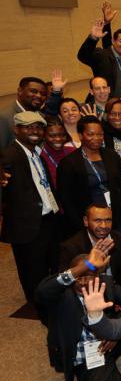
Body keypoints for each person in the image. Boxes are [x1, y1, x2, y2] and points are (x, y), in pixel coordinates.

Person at [35, 239, 121, 381]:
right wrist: (87, 265)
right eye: (79, 276)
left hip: (110, 341)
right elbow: (42, 292)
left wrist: (116, 333)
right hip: (86, 359)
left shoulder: (105, 285)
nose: (83, 282)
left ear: (98, 276)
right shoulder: (60, 297)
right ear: (72, 276)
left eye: (89, 275)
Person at [0, 112, 61, 305]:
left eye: (38, 127)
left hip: (48, 220)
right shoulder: (8, 156)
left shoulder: (37, 154)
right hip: (26, 226)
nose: (35, 131)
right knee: (32, 272)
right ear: (16, 130)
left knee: (52, 265)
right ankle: (38, 307)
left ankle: (53, 302)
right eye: (28, 127)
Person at [57, 116, 121, 235]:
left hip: (115, 214)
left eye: (100, 134)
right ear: (80, 135)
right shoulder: (68, 163)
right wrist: (79, 225)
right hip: (88, 220)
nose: (96, 138)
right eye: (91, 134)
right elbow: (66, 200)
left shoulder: (112, 156)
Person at [60, 203, 121, 288]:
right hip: (87, 292)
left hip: (118, 290)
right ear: (86, 221)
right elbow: (63, 280)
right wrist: (90, 264)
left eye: (108, 220)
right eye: (97, 220)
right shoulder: (71, 246)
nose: (104, 226)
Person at [77, 19, 121, 97]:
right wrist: (93, 38)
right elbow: (83, 56)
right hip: (108, 102)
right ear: (113, 41)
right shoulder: (102, 55)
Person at [0, 76, 47, 149]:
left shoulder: (42, 117)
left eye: (43, 94)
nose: (39, 96)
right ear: (20, 91)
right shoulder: (4, 117)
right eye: (33, 91)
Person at [40, 116, 75, 189]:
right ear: (44, 136)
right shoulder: (40, 157)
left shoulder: (73, 151)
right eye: (52, 136)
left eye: (62, 135)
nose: (58, 139)